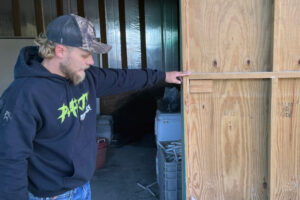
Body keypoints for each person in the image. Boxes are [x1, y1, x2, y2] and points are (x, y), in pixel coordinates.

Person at [0, 14, 190, 200]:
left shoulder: (86, 77)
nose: (91, 61)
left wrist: (163, 76)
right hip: (50, 196)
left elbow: (123, 78)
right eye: (85, 54)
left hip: (82, 188)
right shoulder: (23, 96)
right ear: (60, 51)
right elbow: (10, 159)